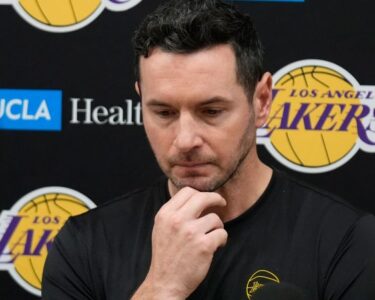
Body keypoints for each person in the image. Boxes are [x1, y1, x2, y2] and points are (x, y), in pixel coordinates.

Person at [42, 0, 375, 299]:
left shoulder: (345, 242)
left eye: (211, 111)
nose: (185, 139)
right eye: (163, 112)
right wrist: (162, 288)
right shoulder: (83, 245)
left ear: (261, 101)